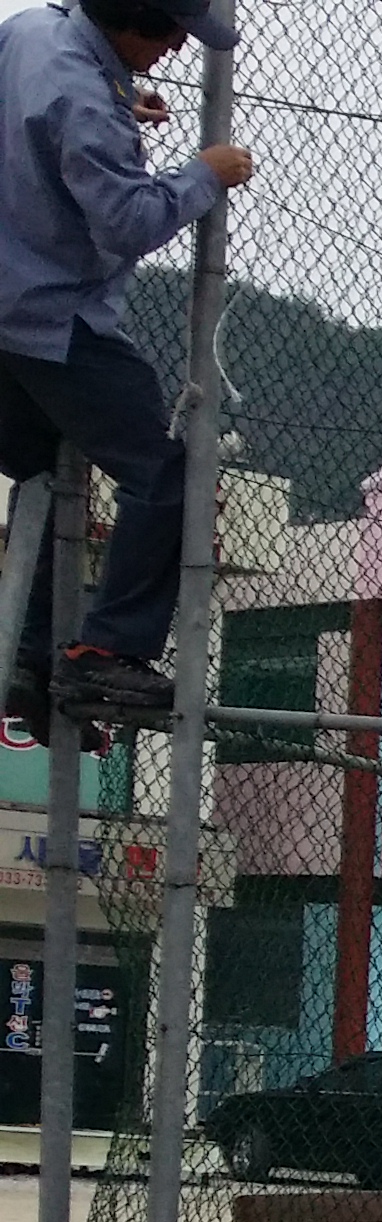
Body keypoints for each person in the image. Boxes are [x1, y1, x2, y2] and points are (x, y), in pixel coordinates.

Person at [0, 0, 249, 735]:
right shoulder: (85, 101)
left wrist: (118, 107)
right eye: (172, 35)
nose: (176, 50)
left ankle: (29, 659)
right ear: (139, 22)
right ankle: (106, 651)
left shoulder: (32, 33)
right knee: (169, 476)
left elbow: (41, 116)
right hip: (51, 317)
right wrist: (203, 175)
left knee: (48, 468)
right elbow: (130, 221)